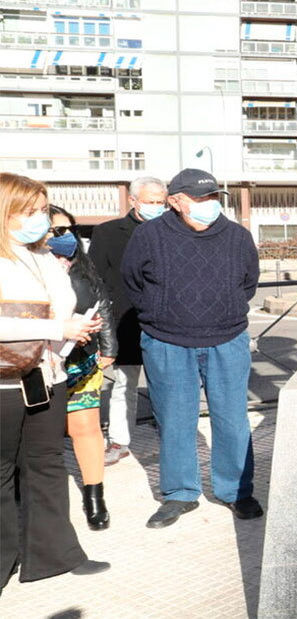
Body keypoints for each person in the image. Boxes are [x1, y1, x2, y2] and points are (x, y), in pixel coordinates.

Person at [121, 169, 263, 529]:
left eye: (213, 197)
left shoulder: (237, 236)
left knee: (232, 419)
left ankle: (236, 491)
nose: (209, 204)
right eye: (200, 199)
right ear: (176, 201)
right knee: (175, 420)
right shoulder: (149, 235)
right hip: (167, 341)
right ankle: (180, 494)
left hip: (227, 339)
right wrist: (160, 313)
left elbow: (248, 282)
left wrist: (222, 310)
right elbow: (132, 281)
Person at [0, 173, 108, 591]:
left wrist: (74, 326)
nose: (39, 219)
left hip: (47, 375)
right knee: (2, 471)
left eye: (42, 210)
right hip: (5, 383)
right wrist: (57, 326)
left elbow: (59, 312)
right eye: (29, 211)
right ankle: (4, 559)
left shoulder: (44, 257)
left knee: (46, 464)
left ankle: (55, 555)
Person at [90, 175, 167, 466]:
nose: (157, 207)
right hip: (125, 321)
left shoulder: (173, 230)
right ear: (133, 201)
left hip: (167, 323)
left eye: (161, 202)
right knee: (124, 384)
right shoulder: (108, 233)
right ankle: (120, 441)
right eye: (151, 202)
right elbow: (95, 279)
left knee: (168, 384)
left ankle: (169, 434)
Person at [49, 205, 118, 530]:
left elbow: (101, 301)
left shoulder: (81, 263)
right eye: (53, 230)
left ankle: (95, 497)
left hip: (82, 360)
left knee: (86, 428)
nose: (60, 237)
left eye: (66, 230)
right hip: (38, 363)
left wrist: (108, 347)